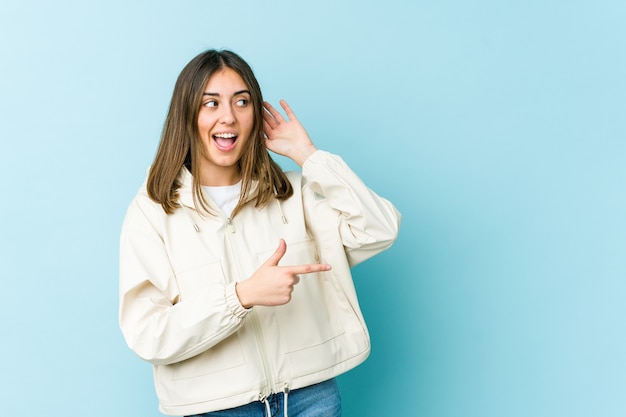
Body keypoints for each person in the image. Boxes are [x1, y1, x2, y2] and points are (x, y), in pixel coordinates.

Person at [118, 49, 401, 417]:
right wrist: (241, 296)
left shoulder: (294, 193)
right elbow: (148, 333)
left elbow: (379, 229)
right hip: (215, 409)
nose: (229, 117)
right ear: (187, 115)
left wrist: (309, 155)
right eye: (211, 103)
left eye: (242, 101)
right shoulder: (153, 211)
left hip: (310, 398)